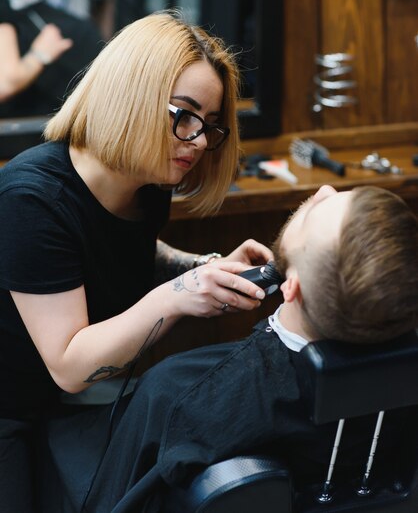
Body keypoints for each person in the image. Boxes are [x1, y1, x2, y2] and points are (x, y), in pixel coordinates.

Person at [0, 9, 273, 512]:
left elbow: (127, 249)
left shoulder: (147, 187)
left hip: (68, 411)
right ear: (132, 93)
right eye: (184, 115)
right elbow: (71, 364)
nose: (195, 141)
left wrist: (203, 269)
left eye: (209, 125)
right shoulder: (31, 199)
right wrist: (181, 297)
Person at [39, 184, 418, 513]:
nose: (322, 191)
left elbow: (109, 496)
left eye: (317, 212)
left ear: (292, 288)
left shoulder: (179, 392)